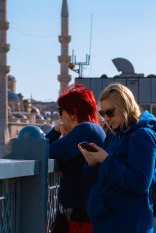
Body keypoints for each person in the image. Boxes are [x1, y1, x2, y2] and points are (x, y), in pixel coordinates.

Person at [78, 83, 156, 233]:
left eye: (109, 112)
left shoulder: (142, 136)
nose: (106, 119)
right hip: (108, 222)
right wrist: (92, 164)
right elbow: (99, 180)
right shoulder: (114, 137)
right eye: (102, 114)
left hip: (128, 223)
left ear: (125, 106)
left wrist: (105, 159)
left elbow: (141, 182)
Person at [46, 83, 106, 233]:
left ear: (73, 113)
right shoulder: (92, 129)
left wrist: (55, 131)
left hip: (83, 217)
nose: (60, 116)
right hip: (85, 213)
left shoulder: (85, 129)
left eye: (61, 111)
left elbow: (45, 152)